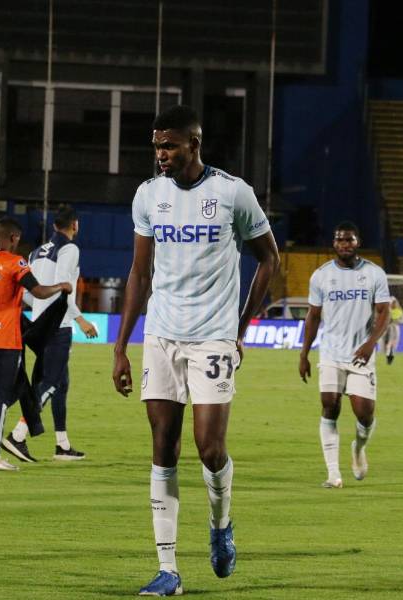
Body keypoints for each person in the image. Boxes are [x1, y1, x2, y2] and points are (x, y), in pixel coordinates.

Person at [111, 105, 279, 595]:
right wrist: (122, 346)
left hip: (212, 337)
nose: (161, 155)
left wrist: (240, 326)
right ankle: (168, 569)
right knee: (163, 447)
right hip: (161, 334)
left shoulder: (231, 192)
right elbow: (140, 272)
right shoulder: (148, 195)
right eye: (157, 146)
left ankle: (221, 524)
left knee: (210, 448)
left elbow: (269, 258)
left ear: (194, 144)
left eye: (170, 146)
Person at [0, 217, 73, 470]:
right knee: (2, 398)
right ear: (14, 238)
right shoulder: (15, 262)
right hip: (5, 341)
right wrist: (62, 286)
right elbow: (37, 291)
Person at [297, 222, 390, 489]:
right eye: (339, 240)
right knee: (329, 405)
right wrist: (304, 353)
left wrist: (371, 344)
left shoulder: (374, 274)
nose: (344, 244)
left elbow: (383, 313)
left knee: (364, 414)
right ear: (334, 244)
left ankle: (359, 448)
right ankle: (333, 474)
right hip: (331, 353)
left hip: (361, 355)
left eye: (349, 240)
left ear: (357, 242)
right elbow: (313, 316)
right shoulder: (321, 276)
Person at [8, 206, 99, 461]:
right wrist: (81, 320)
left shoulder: (35, 252)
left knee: (61, 383)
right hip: (58, 325)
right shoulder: (69, 249)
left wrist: (35, 310)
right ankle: (17, 435)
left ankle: (62, 445)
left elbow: (30, 293)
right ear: (75, 225)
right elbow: (64, 288)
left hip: (39, 322)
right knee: (49, 383)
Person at [382, 298, 403, 365]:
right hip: (388, 328)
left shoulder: (398, 311)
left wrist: (396, 320)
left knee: (394, 343)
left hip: (395, 328)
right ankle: (388, 357)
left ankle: (390, 358)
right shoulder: (388, 311)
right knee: (388, 343)